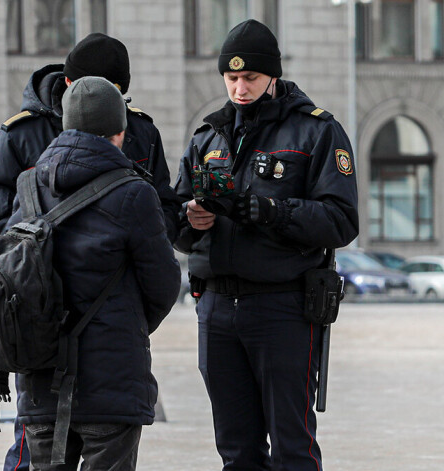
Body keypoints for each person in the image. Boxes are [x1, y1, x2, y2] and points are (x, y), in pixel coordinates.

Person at [0, 33, 180, 471]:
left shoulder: (141, 130)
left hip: (63, 360)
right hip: (53, 346)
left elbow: (166, 214)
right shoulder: (19, 136)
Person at [173, 20, 359, 471]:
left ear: (272, 75)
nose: (240, 88)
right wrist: (190, 220)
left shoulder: (316, 132)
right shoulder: (208, 136)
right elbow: (174, 222)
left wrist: (271, 211)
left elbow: (341, 219)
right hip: (216, 307)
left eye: (250, 78)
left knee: (292, 449)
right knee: (236, 451)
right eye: (232, 78)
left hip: (283, 308)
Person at [0, 32, 179, 246]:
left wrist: (136, 247)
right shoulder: (20, 135)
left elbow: (166, 209)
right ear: (68, 81)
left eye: (112, 94)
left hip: (122, 274)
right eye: (92, 93)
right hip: (45, 274)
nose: (102, 103)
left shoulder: (142, 131)